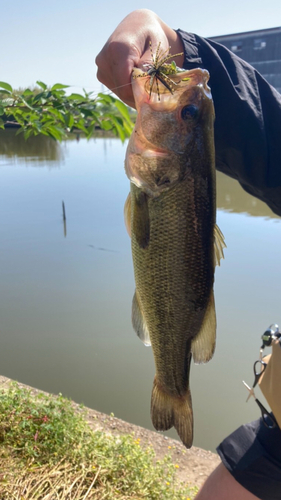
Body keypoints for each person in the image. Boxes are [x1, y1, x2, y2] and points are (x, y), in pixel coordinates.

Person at [96, 10, 281, 500]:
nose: (186, 103)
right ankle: (173, 385)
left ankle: (171, 384)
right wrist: (181, 52)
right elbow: (273, 135)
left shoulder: (160, 183)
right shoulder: (161, 180)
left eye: (188, 116)